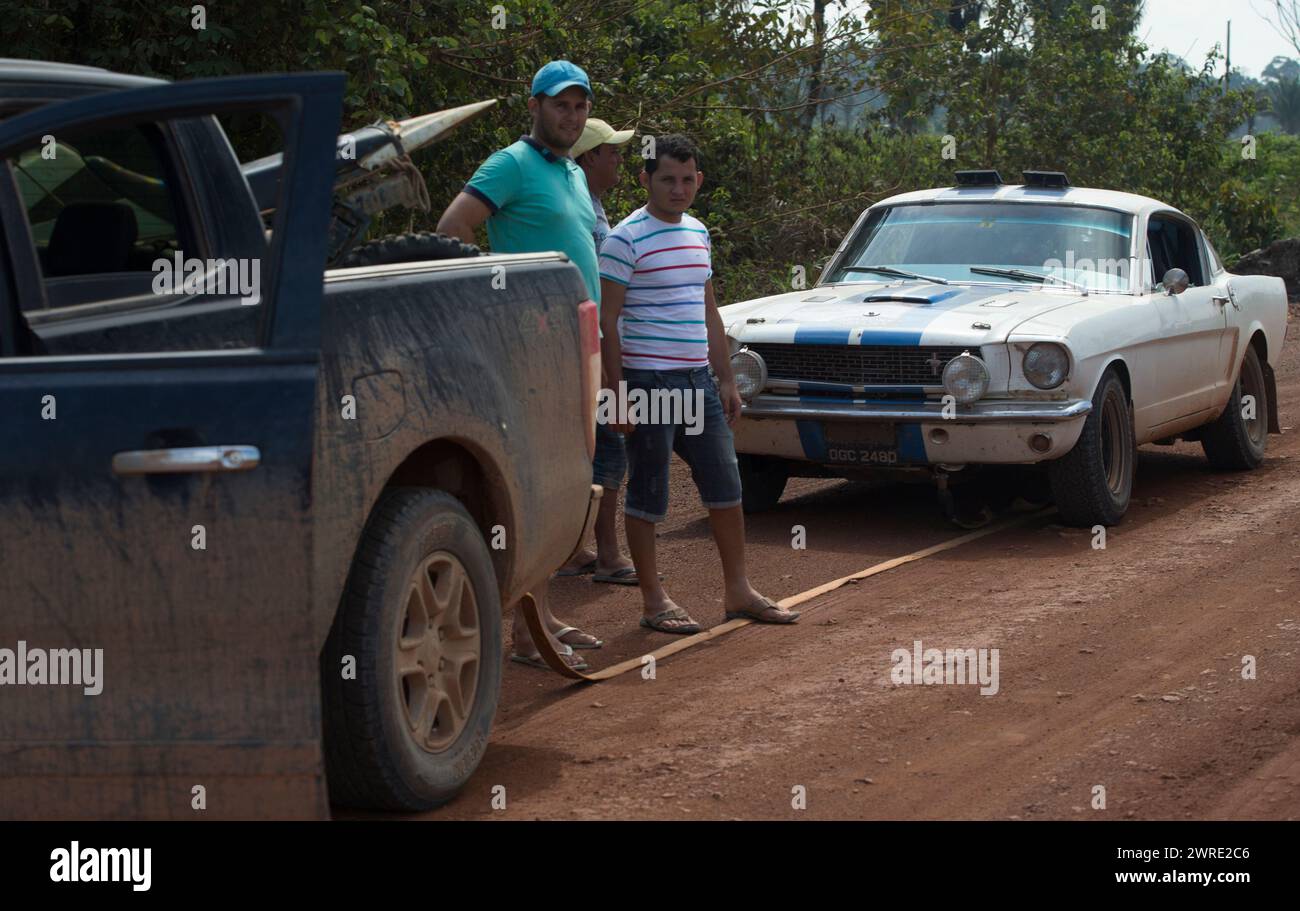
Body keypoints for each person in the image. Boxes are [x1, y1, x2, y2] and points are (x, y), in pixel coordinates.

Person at [436, 60, 604, 670]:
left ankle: (544, 616)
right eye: (561, 105)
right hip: (533, 348)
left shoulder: (571, 173)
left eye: (581, 106)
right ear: (533, 105)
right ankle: (523, 636)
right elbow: (453, 228)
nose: (572, 116)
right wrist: (497, 311)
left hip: (574, 345)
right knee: (535, 485)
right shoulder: (510, 163)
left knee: (562, 481)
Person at [597, 134, 799, 634]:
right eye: (667, 179)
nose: (678, 188)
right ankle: (654, 602)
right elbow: (606, 322)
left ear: (699, 181)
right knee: (649, 492)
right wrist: (617, 394)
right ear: (646, 180)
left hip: (697, 381)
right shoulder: (624, 239)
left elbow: (708, 310)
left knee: (726, 485)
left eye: (687, 180)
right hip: (648, 383)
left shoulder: (698, 233)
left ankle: (738, 591)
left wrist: (726, 377)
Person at [555, 118, 640, 585]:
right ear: (588, 158)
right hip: (590, 345)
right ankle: (607, 554)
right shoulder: (584, 210)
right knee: (609, 449)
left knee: (588, 449)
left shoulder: (591, 208)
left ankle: (574, 548)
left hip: (589, 344)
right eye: (611, 152)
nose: (618, 160)